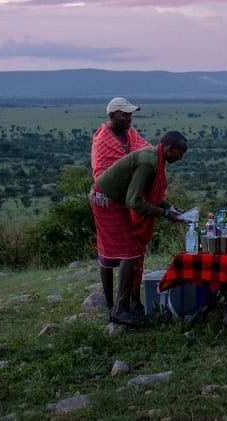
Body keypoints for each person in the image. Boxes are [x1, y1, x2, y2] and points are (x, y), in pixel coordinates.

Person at [90, 131, 189, 326]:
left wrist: (168, 206)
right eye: (180, 153)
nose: (181, 158)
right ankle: (120, 309)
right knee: (129, 253)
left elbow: (148, 194)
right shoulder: (148, 163)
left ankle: (129, 305)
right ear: (169, 149)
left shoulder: (155, 158)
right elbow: (134, 200)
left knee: (130, 252)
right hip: (106, 201)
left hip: (113, 199)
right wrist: (165, 214)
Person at [90, 97, 152, 315]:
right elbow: (104, 173)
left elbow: (147, 152)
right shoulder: (103, 140)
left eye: (130, 114)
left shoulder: (129, 134)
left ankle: (130, 302)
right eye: (124, 114)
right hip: (106, 198)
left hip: (126, 196)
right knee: (120, 252)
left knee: (125, 251)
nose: (129, 118)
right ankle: (115, 305)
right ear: (111, 115)